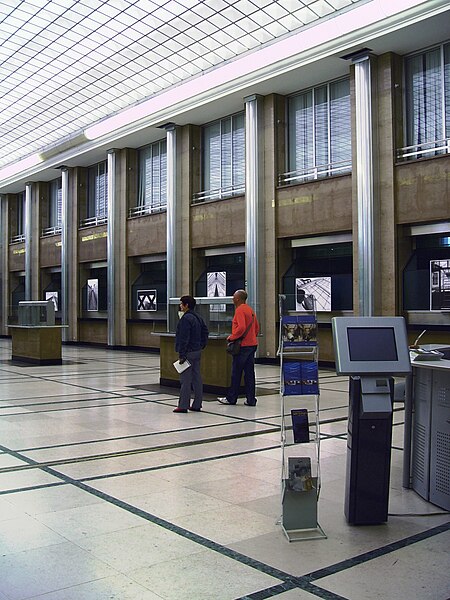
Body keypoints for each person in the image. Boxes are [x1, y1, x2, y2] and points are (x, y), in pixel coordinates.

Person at [218, 289, 259, 406]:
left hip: (242, 346)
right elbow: (256, 327)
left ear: (237, 299)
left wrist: (232, 337)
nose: (232, 299)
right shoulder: (250, 310)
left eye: (233, 297)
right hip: (252, 344)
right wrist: (251, 337)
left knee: (236, 372)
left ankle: (231, 398)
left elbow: (241, 328)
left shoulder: (240, 310)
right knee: (249, 373)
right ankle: (251, 399)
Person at [174, 295, 209, 413]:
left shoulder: (186, 319)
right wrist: (202, 344)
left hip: (188, 352)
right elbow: (205, 331)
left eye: (181, 304)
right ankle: (197, 403)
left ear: (186, 305)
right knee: (197, 378)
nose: (180, 306)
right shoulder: (198, 317)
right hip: (197, 351)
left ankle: (183, 405)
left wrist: (182, 354)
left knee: (185, 380)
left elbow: (184, 337)